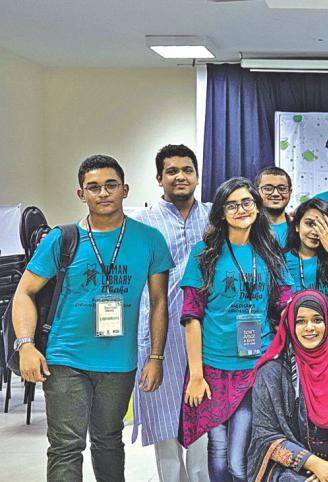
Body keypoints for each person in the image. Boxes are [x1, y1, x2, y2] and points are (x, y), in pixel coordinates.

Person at [12, 154, 174, 481]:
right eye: (94, 187)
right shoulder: (63, 238)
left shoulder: (150, 239)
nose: (103, 193)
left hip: (119, 362)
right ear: (81, 193)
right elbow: (24, 293)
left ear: (125, 189)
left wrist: (156, 356)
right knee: (66, 445)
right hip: (65, 357)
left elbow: (159, 302)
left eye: (110, 185)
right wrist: (26, 345)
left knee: (109, 440)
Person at [179, 177, 293, 482]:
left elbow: (286, 305)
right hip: (213, 367)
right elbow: (191, 316)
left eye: (247, 203)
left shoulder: (270, 252)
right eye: (232, 204)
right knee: (217, 446)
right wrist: (196, 375)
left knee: (240, 452)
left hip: (257, 366)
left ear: (257, 208)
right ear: (220, 213)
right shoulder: (203, 254)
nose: (241, 209)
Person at [131, 144, 211, 482]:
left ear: (196, 175)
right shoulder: (142, 222)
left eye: (187, 170)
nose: (180, 176)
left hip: (205, 333)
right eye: (172, 171)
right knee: (163, 421)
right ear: (159, 178)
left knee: (204, 418)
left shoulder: (213, 217)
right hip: (157, 336)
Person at [248, 290, 328, 482]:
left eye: (317, 319)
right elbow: (265, 436)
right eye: (300, 321)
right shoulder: (271, 372)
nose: (310, 327)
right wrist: (315, 465)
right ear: (291, 326)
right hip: (291, 468)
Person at [284, 198, 328, 299]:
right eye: (309, 223)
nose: (315, 231)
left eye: (323, 225)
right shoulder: (282, 261)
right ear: (297, 226)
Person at [256, 166, 293, 248]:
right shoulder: (248, 228)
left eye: (282, 189)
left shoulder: (300, 227)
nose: (276, 194)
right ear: (256, 192)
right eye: (268, 189)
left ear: (290, 192)